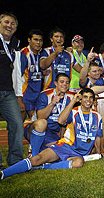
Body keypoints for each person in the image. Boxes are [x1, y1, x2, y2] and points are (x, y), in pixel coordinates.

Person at [0, 88, 103, 180]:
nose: (88, 100)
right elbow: (61, 120)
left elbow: (97, 137)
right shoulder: (74, 112)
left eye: (90, 98)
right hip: (64, 147)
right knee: (37, 159)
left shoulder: (97, 116)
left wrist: (98, 153)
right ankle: (3, 174)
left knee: (78, 163)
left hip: (79, 154)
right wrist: (73, 101)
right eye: (85, 97)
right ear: (80, 99)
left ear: (93, 101)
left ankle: (42, 167)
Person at [24, 73, 74, 157]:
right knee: (42, 123)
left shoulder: (71, 97)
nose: (65, 84)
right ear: (55, 83)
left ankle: (40, 149)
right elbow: (41, 117)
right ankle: (34, 155)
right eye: (62, 82)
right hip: (35, 129)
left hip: (54, 133)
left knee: (61, 147)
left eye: (67, 82)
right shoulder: (45, 95)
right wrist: (52, 103)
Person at [0, 12, 24, 167]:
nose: (9, 25)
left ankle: (15, 160)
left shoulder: (15, 44)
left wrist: (18, 94)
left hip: (8, 92)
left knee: (16, 123)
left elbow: (17, 71)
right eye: (6, 22)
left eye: (13, 24)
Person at [13, 29, 44, 121]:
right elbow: (17, 76)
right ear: (29, 40)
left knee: (35, 122)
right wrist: (18, 97)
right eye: (35, 39)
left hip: (37, 93)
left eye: (40, 40)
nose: (38, 43)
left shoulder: (42, 54)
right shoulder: (23, 54)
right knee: (18, 121)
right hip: (25, 93)